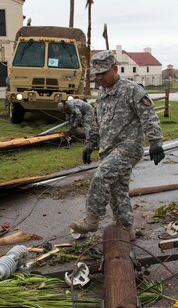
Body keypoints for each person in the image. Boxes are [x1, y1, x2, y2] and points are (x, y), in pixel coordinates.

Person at [69, 50, 165, 240]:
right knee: (117, 191)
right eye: (97, 74)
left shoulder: (132, 91)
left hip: (128, 147)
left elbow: (149, 117)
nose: (100, 78)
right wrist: (90, 144)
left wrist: (155, 142)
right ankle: (127, 229)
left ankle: (92, 218)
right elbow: (97, 122)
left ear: (115, 68)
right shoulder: (102, 95)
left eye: (103, 73)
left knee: (101, 175)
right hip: (108, 149)